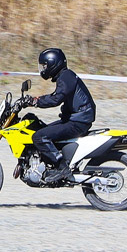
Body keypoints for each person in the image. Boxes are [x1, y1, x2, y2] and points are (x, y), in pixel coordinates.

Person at [28, 48, 95, 180]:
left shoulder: (66, 76)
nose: (43, 69)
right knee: (41, 129)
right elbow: (57, 96)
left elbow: (56, 98)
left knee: (39, 136)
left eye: (45, 65)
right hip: (76, 119)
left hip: (78, 122)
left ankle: (62, 169)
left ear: (53, 63)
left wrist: (35, 101)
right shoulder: (65, 76)